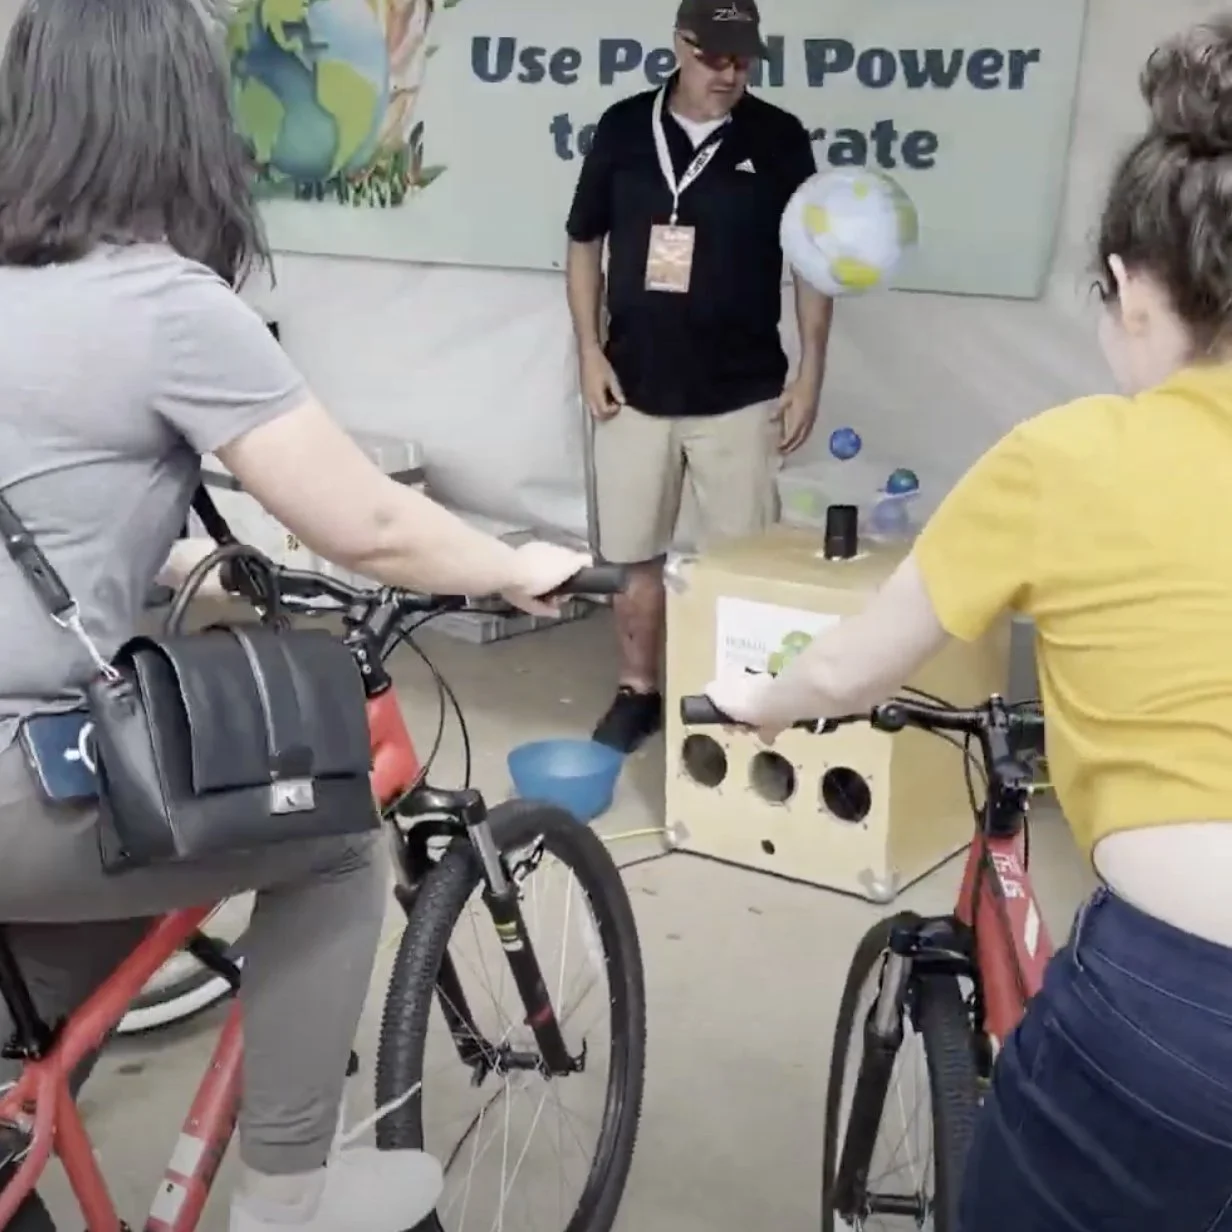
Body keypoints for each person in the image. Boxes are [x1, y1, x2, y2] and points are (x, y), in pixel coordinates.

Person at [0, 1, 593, 1230]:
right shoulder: (164, 303)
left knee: (60, 962)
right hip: (13, 774)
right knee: (329, 842)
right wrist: (504, 561)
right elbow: (365, 521)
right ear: (183, 119)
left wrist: (162, 568)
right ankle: (287, 1191)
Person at [705, 17, 1232, 1230]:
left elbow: (848, 660)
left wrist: (754, 696)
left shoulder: (1068, 454)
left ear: (1124, 290)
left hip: (1182, 1008)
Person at [566, 0, 833, 754]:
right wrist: (589, 350)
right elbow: (584, 243)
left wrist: (812, 371)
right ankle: (637, 690)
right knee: (630, 557)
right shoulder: (623, 128)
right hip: (633, 387)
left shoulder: (778, 139)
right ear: (680, 46)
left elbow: (812, 264)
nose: (731, 73)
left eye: (744, 59)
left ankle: (737, 698)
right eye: (715, 57)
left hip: (742, 392)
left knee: (742, 564)